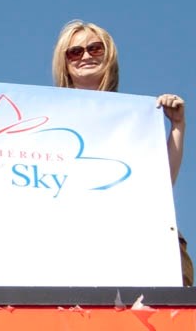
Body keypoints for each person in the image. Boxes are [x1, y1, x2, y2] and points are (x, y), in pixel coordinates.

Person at [52, 19, 191, 286]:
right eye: (75, 52)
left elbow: (159, 186)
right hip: (75, 244)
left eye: (95, 48)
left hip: (142, 243)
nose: (85, 56)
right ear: (65, 63)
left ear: (109, 56)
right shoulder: (44, 118)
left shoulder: (134, 120)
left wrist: (177, 126)